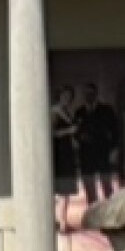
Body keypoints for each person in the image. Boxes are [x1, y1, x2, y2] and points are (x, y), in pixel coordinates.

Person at [76, 81, 122, 204]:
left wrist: (114, 148)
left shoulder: (106, 110)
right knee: (89, 185)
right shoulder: (79, 112)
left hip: (103, 151)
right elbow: (75, 132)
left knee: (106, 183)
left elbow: (115, 130)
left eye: (91, 93)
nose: (89, 96)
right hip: (85, 153)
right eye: (86, 94)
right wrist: (80, 138)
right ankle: (92, 208)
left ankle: (109, 208)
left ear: (96, 94)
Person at [51, 84, 80, 234]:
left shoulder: (68, 112)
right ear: (60, 96)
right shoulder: (54, 113)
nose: (67, 99)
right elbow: (53, 133)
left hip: (67, 154)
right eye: (65, 96)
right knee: (60, 191)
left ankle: (63, 221)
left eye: (70, 97)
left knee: (66, 192)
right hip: (59, 155)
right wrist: (69, 131)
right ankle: (59, 222)